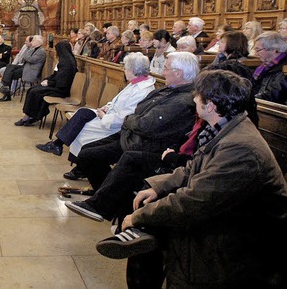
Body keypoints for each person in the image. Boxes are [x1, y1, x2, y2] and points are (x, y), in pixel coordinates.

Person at [99, 70, 287, 289]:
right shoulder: (228, 126)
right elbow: (192, 167)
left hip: (243, 236)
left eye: (199, 94)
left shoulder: (241, 148)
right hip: (228, 215)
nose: (194, 97)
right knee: (147, 227)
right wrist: (159, 187)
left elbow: (195, 201)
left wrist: (140, 217)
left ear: (210, 106)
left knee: (152, 227)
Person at [70, 52, 198, 190]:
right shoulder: (167, 90)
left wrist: (128, 119)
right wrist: (128, 117)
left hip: (141, 141)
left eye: (166, 68)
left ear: (178, 73)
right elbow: (139, 110)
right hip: (130, 133)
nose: (162, 72)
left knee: (89, 155)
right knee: (86, 150)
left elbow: (144, 124)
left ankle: (107, 194)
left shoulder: (181, 101)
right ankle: (103, 189)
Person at [36, 53, 155, 158]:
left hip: (115, 125)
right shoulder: (135, 82)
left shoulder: (142, 90)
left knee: (81, 129)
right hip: (109, 115)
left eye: (126, 68)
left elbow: (125, 117)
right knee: (82, 113)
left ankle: (76, 164)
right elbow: (117, 101)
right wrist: (107, 107)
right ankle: (58, 146)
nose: (124, 70)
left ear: (133, 70)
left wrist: (104, 116)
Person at [14, 40, 76, 126]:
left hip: (62, 89)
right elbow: (56, 75)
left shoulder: (67, 63)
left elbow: (62, 81)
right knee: (33, 89)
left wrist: (49, 83)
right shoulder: (64, 60)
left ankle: (30, 116)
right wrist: (47, 79)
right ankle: (30, 116)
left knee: (35, 92)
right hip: (57, 85)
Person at [0, 36, 46, 101]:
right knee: (10, 66)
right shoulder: (33, 49)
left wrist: (26, 58)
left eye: (33, 41)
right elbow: (26, 57)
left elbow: (30, 59)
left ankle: (6, 92)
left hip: (30, 71)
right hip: (25, 67)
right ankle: (6, 87)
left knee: (10, 74)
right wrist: (26, 58)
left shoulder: (41, 51)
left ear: (37, 42)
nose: (31, 42)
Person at [252, 31, 287, 104]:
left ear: (273, 49)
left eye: (258, 50)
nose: (255, 54)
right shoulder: (264, 66)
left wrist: (249, 100)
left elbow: (273, 95)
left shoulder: (284, 68)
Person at [0, 35, 32, 100]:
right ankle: (6, 87)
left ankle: (9, 91)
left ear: (31, 42)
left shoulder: (32, 49)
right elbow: (18, 55)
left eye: (26, 41)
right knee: (3, 70)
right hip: (17, 64)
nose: (25, 42)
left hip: (24, 66)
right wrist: (13, 64)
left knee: (11, 72)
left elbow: (28, 60)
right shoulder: (24, 46)